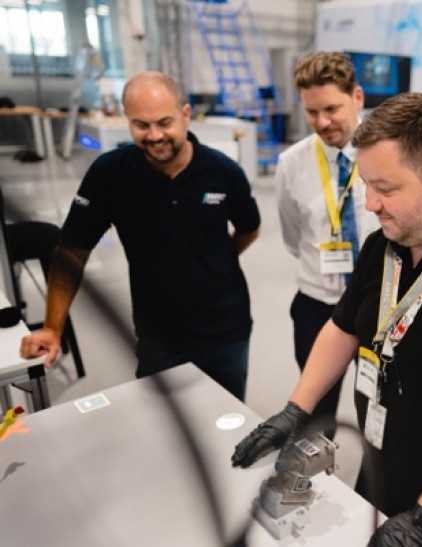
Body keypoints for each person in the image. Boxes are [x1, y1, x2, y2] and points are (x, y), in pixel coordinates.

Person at [232, 92, 422, 546]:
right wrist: (296, 408)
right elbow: (342, 327)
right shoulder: (384, 245)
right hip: (380, 478)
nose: (370, 203)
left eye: (385, 189)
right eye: (366, 185)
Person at [18, 71, 260, 401]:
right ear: (127, 120)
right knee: (162, 423)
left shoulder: (223, 171)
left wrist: (216, 262)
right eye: (141, 125)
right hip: (158, 336)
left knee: (228, 419)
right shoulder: (109, 174)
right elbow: (72, 251)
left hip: (226, 330)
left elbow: (249, 228)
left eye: (165, 123)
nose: (155, 136)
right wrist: (52, 327)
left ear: (185, 115)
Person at [276, 51, 379, 433]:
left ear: (357, 97)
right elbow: (292, 235)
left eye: (331, 109)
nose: (322, 122)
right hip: (316, 306)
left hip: (376, 307)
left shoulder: (387, 155)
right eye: (312, 112)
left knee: (378, 410)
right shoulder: (292, 163)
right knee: (316, 414)